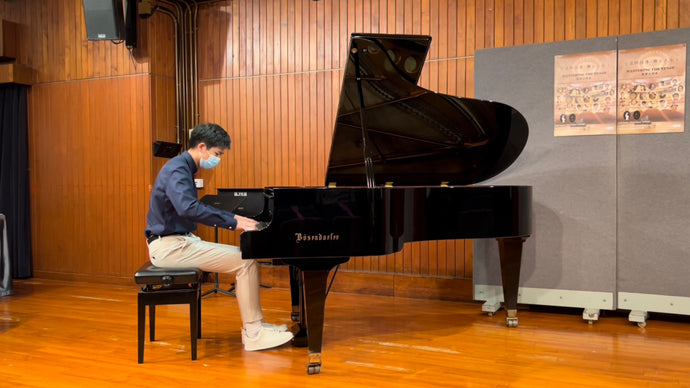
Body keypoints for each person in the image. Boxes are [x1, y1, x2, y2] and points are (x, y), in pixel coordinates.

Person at [144, 123, 293, 351]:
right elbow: (188, 208)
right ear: (202, 147)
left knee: (244, 256)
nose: (218, 159)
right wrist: (235, 222)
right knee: (245, 260)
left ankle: (257, 326)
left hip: (180, 240)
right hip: (169, 247)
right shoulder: (177, 169)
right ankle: (254, 334)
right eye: (217, 154)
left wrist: (235, 219)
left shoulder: (182, 167)